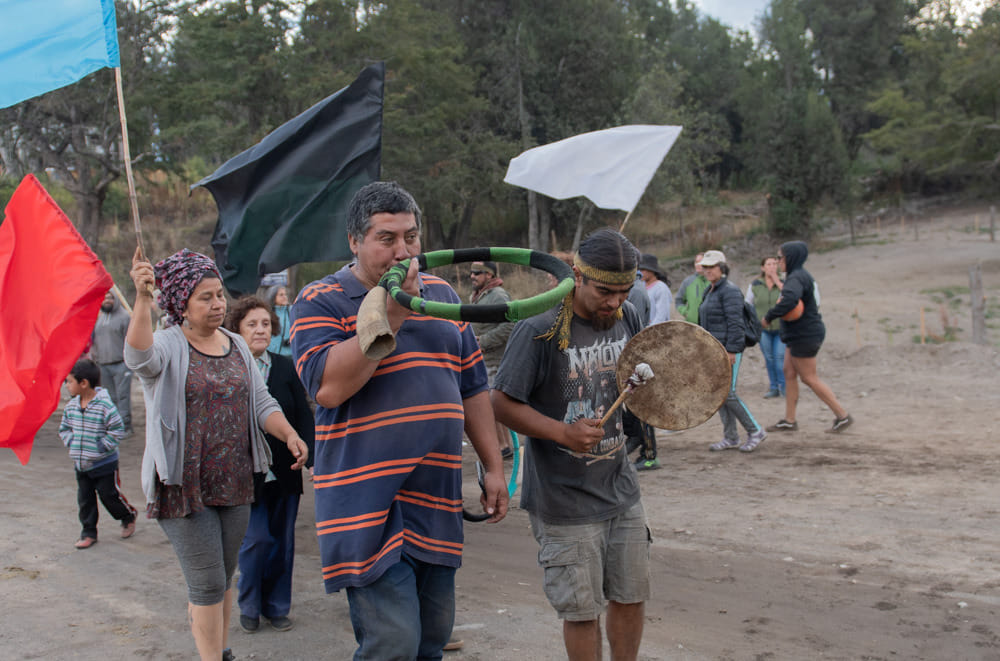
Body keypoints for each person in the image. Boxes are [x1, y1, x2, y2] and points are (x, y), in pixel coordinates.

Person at [290, 181, 508, 660]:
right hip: (364, 503)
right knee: (393, 643)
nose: (402, 251)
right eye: (386, 239)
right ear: (355, 241)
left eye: (411, 237)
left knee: (431, 638)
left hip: (436, 498)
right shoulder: (320, 299)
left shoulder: (444, 293)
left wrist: (494, 467)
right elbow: (327, 387)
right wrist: (391, 312)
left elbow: (472, 386)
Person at [124, 248, 309, 661]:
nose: (218, 304)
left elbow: (262, 403)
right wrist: (141, 298)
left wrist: (289, 433)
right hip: (183, 485)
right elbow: (138, 357)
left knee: (224, 578)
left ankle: (221, 651)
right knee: (206, 583)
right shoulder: (169, 345)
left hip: (237, 480)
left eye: (219, 295)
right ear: (181, 304)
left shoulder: (237, 345)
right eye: (205, 297)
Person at [492, 228, 650, 661]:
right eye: (604, 291)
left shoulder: (630, 316)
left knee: (631, 596)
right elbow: (500, 402)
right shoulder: (539, 329)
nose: (614, 303)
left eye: (624, 291)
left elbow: (640, 378)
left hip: (622, 489)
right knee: (582, 612)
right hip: (564, 500)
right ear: (576, 275)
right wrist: (562, 433)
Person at [225, 297, 315, 635]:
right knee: (256, 540)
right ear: (237, 329)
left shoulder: (286, 366)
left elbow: (304, 416)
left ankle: (277, 607)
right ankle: (249, 605)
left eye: (265, 323)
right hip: (245, 475)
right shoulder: (230, 367)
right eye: (252, 324)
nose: (261, 329)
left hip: (286, 472)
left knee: (284, 543)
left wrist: (311, 457)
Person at [764, 241, 853, 433]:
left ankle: (842, 416)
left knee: (809, 378)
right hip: (797, 333)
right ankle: (789, 420)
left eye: (780, 257)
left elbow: (789, 300)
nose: (778, 261)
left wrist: (768, 317)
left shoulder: (796, 278)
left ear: (791, 258)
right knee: (788, 371)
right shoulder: (796, 276)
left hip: (805, 334)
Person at [59, 358, 137, 549]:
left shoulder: (105, 406)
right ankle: (88, 532)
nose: (66, 385)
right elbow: (64, 429)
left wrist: (102, 446)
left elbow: (117, 430)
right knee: (85, 500)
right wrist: (73, 442)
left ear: (83, 383)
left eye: (69, 381)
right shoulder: (71, 407)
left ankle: (127, 516)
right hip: (81, 465)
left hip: (104, 464)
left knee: (108, 495)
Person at [697, 250, 768, 453]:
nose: (708, 270)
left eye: (712, 267)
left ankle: (755, 430)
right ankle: (731, 436)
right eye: (706, 267)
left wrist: (731, 351)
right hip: (712, 350)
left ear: (722, 268)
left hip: (727, 350)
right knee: (719, 395)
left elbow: (736, 324)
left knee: (728, 393)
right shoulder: (710, 290)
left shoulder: (729, 291)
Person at [469, 260, 516, 459]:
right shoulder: (478, 296)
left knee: (492, 406)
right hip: (483, 360)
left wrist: (484, 341)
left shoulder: (498, 296)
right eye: (471, 273)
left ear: (489, 275)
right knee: (490, 406)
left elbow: (510, 325)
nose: (472, 276)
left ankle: (504, 446)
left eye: (477, 273)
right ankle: (502, 446)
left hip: (495, 361)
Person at [90, 288, 134, 434]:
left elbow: (131, 340)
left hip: (121, 363)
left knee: (123, 396)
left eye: (110, 298)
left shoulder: (125, 317)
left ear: (115, 299)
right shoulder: (100, 318)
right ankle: (114, 426)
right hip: (103, 364)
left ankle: (126, 427)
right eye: (105, 298)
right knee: (110, 397)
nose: (107, 300)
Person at [746, 256, 786, 398]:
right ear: (763, 267)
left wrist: (777, 280)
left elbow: (788, 296)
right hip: (762, 329)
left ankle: (784, 387)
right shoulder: (755, 284)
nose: (772, 267)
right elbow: (748, 304)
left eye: (775, 263)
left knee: (780, 357)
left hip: (781, 327)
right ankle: (773, 387)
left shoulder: (784, 282)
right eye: (768, 264)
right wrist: (753, 322)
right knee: (769, 358)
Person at [675, 252, 709, 324]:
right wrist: (686, 312)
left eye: (700, 262)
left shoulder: (713, 281)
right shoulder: (688, 282)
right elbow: (678, 300)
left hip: (711, 326)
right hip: (692, 326)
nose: (698, 264)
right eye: (696, 262)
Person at [638, 253, 672, 324]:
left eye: (643, 269)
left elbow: (661, 316)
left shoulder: (661, 288)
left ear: (652, 270)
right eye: (639, 269)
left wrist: (650, 330)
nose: (640, 272)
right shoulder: (641, 286)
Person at [265, 285, 293, 358]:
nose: (285, 297)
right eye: (281, 295)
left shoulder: (293, 311)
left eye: (285, 294)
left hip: (291, 356)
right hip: (272, 355)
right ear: (273, 297)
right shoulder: (267, 313)